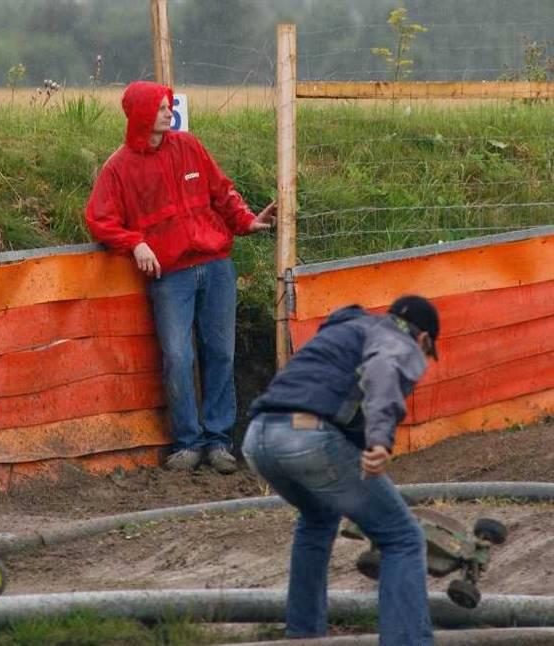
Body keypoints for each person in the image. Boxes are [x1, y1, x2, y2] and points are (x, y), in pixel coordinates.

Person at [85, 80, 276, 475]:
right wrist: (135, 243)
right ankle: (187, 442)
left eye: (168, 105)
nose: (167, 111)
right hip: (171, 275)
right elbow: (99, 220)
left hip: (217, 265)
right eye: (159, 107)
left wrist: (246, 221)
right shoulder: (118, 168)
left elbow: (222, 192)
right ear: (140, 114)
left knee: (220, 352)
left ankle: (219, 441)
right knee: (177, 356)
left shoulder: (190, 146)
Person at [242, 295, 439, 645]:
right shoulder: (397, 338)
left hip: (258, 438)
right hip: (307, 439)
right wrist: (380, 439)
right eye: (425, 354)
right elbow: (381, 374)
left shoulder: (347, 330)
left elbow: (340, 400)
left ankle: (304, 635)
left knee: (317, 517)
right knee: (403, 538)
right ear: (422, 339)